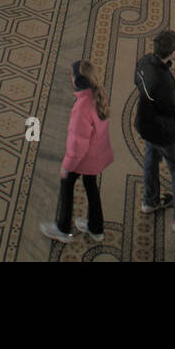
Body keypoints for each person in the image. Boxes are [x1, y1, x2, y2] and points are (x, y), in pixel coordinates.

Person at [40, 60, 114, 245]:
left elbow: (77, 144)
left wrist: (67, 167)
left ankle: (63, 228)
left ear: (76, 81)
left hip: (84, 157)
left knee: (67, 184)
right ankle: (96, 228)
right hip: (97, 153)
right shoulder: (98, 94)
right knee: (91, 186)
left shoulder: (82, 107)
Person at [134, 29, 175, 232]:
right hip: (163, 132)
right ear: (172, 52)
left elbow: (137, 81)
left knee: (150, 157)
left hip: (145, 123)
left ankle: (150, 200)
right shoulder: (164, 83)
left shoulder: (144, 62)